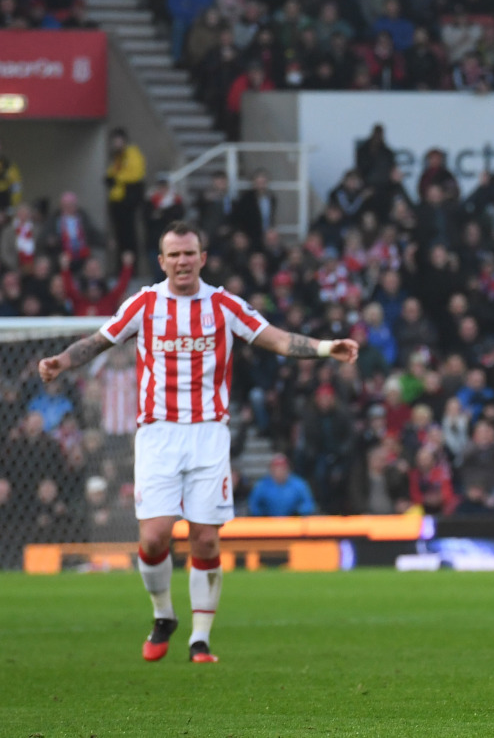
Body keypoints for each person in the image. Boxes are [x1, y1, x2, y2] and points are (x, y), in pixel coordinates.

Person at [37, 220, 358, 665]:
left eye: (190, 253)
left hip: (208, 434)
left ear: (202, 258)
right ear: (162, 261)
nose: (183, 261)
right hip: (158, 435)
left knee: (205, 541)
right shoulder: (145, 303)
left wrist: (326, 348)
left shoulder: (224, 305)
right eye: (175, 255)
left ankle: (200, 640)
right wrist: (62, 361)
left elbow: (277, 338)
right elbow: (99, 341)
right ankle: (163, 614)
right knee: (154, 536)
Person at [104, 128, 146, 261]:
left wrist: (118, 178)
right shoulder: (117, 157)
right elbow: (111, 174)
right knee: (119, 235)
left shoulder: (132, 153)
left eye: (118, 141)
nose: (116, 144)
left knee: (129, 235)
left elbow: (136, 174)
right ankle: (122, 265)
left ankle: (131, 265)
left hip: (127, 199)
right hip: (117, 201)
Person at [248, 454, 316, 517]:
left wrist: (298, 513)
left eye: (283, 468)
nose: (280, 471)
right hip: (268, 524)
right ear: (271, 470)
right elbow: (253, 504)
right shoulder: (262, 485)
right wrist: (262, 515)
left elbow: (308, 503)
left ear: (288, 469)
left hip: (293, 523)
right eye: (276, 468)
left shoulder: (299, 484)